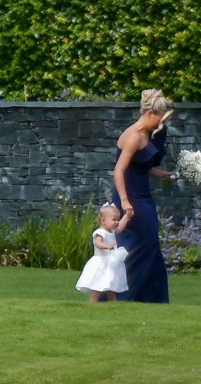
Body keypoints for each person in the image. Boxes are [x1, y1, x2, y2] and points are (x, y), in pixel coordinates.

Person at [113, 88, 178, 303]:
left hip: (143, 197)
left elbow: (142, 168)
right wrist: (124, 201)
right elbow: (119, 170)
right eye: (160, 119)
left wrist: (166, 175)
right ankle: (126, 297)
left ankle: (149, 298)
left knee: (149, 244)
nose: (162, 125)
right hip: (130, 199)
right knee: (134, 247)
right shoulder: (133, 137)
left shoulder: (148, 135)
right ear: (150, 114)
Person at [75, 203, 130, 302]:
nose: (117, 222)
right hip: (101, 262)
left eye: (118, 219)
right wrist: (106, 246)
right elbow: (98, 243)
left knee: (111, 283)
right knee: (98, 284)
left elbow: (120, 227)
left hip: (111, 263)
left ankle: (112, 301)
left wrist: (126, 216)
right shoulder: (100, 232)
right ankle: (93, 301)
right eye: (114, 220)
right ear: (103, 221)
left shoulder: (112, 231)